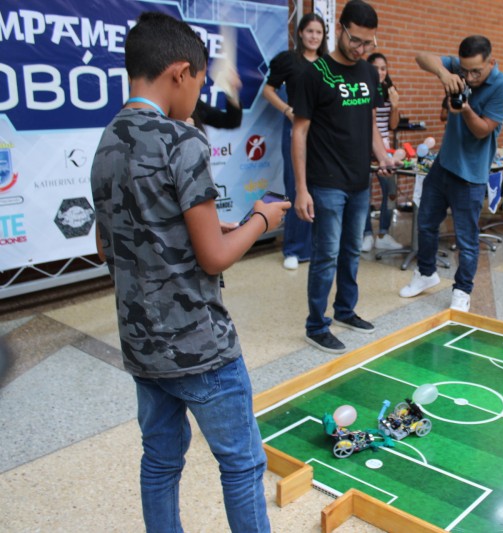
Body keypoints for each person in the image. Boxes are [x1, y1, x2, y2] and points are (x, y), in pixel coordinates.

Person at [90, 12, 290, 532]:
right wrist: (259, 220)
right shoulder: (183, 140)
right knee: (243, 464)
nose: (198, 98)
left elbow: (108, 245)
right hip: (200, 347)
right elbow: (214, 257)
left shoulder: (107, 141)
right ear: (180, 72)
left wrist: (189, 227)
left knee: (159, 462)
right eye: (200, 84)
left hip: (140, 345)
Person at [292, 0, 394, 353]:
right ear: (340, 28)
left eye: (369, 43)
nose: (362, 49)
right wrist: (301, 189)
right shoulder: (314, 74)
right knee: (327, 254)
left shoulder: (367, 72)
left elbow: (370, 122)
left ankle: (345, 310)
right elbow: (299, 132)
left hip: (359, 181)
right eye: (356, 41)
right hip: (326, 182)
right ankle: (315, 325)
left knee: (352, 251)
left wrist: (382, 154)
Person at [398, 35, 503, 310]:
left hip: (471, 175)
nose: (470, 77)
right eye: (465, 70)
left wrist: (463, 108)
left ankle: (462, 290)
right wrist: (443, 72)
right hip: (443, 165)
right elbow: (421, 56)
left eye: (477, 71)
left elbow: (482, 130)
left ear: (491, 62)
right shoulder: (459, 68)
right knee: (425, 223)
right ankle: (426, 273)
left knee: (466, 239)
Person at [263, 13, 327, 271]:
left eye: (319, 32)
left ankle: (317, 247)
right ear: (300, 33)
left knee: (321, 187)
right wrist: (287, 110)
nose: (314, 36)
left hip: (322, 133)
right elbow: (268, 90)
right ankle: (293, 249)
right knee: (296, 186)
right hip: (294, 129)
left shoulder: (327, 64)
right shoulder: (289, 60)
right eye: (310, 31)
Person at [362, 52, 403, 253]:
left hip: (385, 149)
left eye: (383, 68)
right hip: (363, 148)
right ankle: (366, 234)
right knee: (364, 192)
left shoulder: (389, 91)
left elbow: (393, 125)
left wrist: (394, 105)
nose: (380, 72)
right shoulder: (361, 88)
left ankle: (383, 233)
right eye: (376, 67)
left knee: (391, 191)